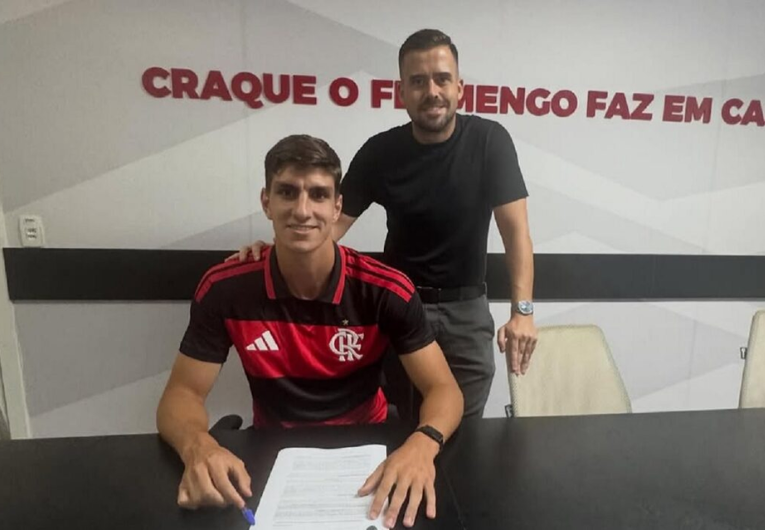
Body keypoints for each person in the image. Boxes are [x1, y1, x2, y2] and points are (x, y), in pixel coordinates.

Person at [157, 134, 463, 530]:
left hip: (367, 450)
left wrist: (423, 443)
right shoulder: (225, 288)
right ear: (266, 202)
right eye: (288, 192)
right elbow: (181, 394)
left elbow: (444, 389)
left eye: (318, 195)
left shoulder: (385, 289)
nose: (302, 210)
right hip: (271, 452)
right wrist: (197, 446)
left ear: (337, 208)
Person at [232, 29, 537, 419]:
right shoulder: (381, 152)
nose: (432, 91)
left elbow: (517, 234)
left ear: (459, 88)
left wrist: (523, 312)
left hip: (466, 311)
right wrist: (276, 252)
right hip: (398, 309)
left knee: (465, 428)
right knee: (398, 423)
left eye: (442, 79)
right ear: (401, 92)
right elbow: (329, 224)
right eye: (418, 81)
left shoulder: (489, 141)